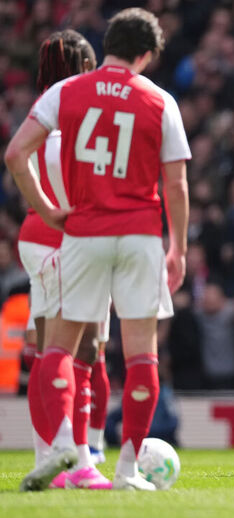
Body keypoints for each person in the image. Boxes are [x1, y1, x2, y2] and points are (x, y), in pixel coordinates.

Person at [6, 8, 190, 491]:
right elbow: (176, 184)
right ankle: (127, 470)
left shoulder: (64, 93)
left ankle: (64, 442)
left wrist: (45, 210)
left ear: (106, 41)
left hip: (82, 233)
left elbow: (15, 154)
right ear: (146, 54)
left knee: (58, 347)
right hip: (140, 235)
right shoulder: (160, 99)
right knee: (139, 357)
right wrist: (180, 248)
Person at [15, 29, 114, 490]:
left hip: (38, 235)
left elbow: (19, 158)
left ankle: (54, 454)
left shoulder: (42, 115)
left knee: (49, 350)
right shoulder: (83, 116)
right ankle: (77, 456)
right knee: (82, 351)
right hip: (68, 238)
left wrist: (39, 204)